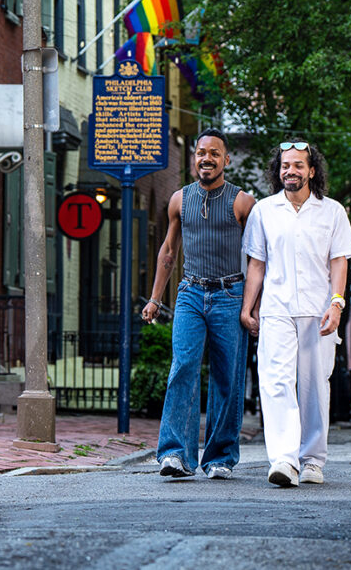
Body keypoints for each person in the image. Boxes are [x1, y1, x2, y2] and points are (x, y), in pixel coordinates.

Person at [240, 141, 351, 487]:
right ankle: (283, 459)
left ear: (312, 170)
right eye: (284, 165)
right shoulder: (264, 210)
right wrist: (248, 307)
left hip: (317, 310)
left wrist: (336, 303)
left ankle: (312, 460)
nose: (290, 171)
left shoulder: (332, 211)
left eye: (297, 165)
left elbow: (339, 260)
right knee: (275, 382)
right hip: (276, 310)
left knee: (313, 387)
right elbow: (257, 264)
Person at [142, 128, 256, 479]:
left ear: (226, 160)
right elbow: (168, 251)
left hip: (229, 294)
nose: (206, 158)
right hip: (190, 293)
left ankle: (220, 457)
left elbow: (258, 258)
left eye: (214, 153)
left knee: (227, 377)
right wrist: (155, 298)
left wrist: (250, 307)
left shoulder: (243, 202)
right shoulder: (179, 199)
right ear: (194, 158)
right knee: (183, 367)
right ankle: (175, 454)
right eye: (201, 152)